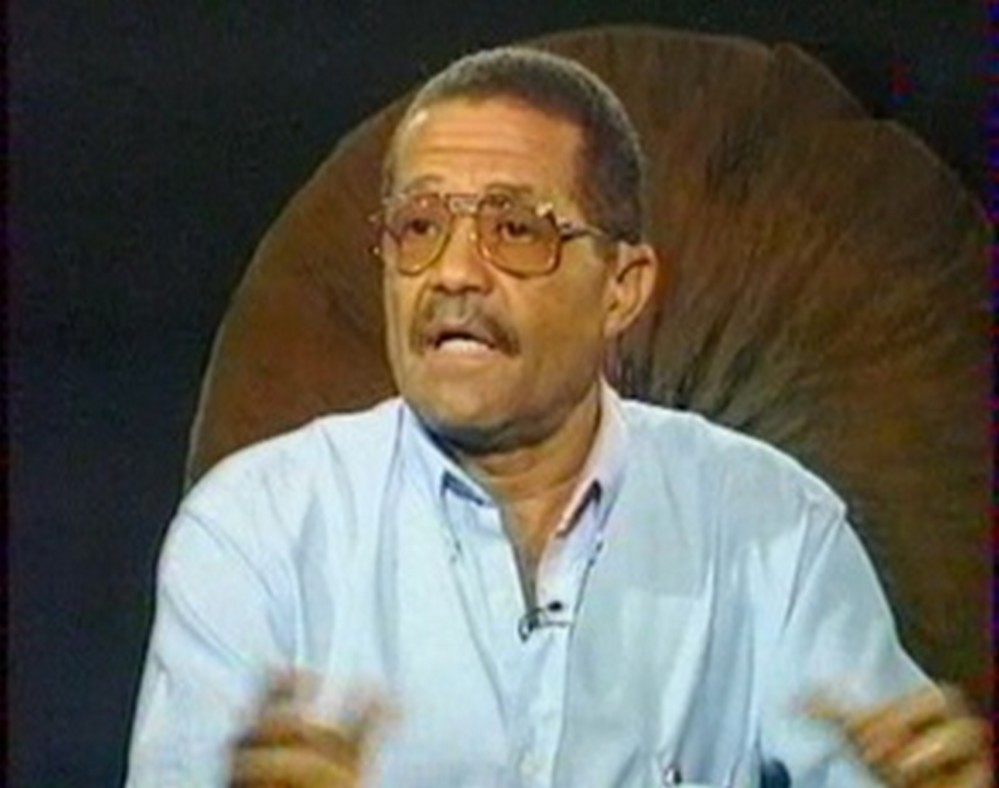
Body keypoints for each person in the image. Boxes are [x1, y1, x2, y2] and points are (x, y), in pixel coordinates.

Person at [126, 47, 990, 787]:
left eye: (514, 229)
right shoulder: (256, 531)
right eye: (419, 225)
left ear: (622, 289)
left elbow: (888, 766)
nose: (452, 273)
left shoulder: (772, 529)